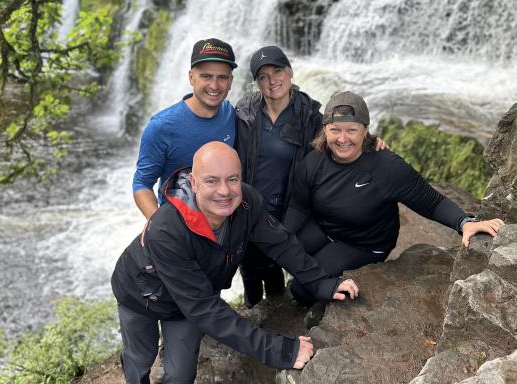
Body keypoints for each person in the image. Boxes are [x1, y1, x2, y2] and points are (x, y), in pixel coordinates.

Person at [111, 142, 359, 383]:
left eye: (232, 179)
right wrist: (278, 350)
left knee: (180, 375)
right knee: (140, 357)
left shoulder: (246, 202)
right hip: (140, 295)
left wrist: (323, 283)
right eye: (211, 180)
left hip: (188, 301)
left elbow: (281, 243)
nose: (224, 191)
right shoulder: (166, 231)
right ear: (193, 182)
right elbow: (204, 308)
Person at [283, 90, 505, 306]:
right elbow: (298, 206)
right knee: (281, 255)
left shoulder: (386, 167)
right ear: (325, 130)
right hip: (326, 227)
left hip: (362, 244)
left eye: (351, 130)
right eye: (335, 130)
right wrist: (283, 236)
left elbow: (432, 201)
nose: (342, 139)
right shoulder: (314, 161)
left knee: (301, 290)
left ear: (365, 130)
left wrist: (464, 223)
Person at [234, 47, 387, 308]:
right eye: (263, 76)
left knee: (275, 266)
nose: (272, 80)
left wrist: (370, 143)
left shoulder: (309, 116)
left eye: (278, 71)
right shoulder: (244, 112)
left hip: (286, 210)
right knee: (250, 272)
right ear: (257, 82)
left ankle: (276, 314)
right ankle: (253, 319)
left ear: (290, 72)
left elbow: (337, 139)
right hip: (248, 208)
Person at [132, 38, 237, 220]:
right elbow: (141, 183)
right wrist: (157, 226)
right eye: (206, 76)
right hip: (178, 226)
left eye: (222, 78)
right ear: (191, 77)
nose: (214, 85)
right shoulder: (161, 126)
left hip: (223, 225)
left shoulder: (232, 114)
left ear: (230, 82)